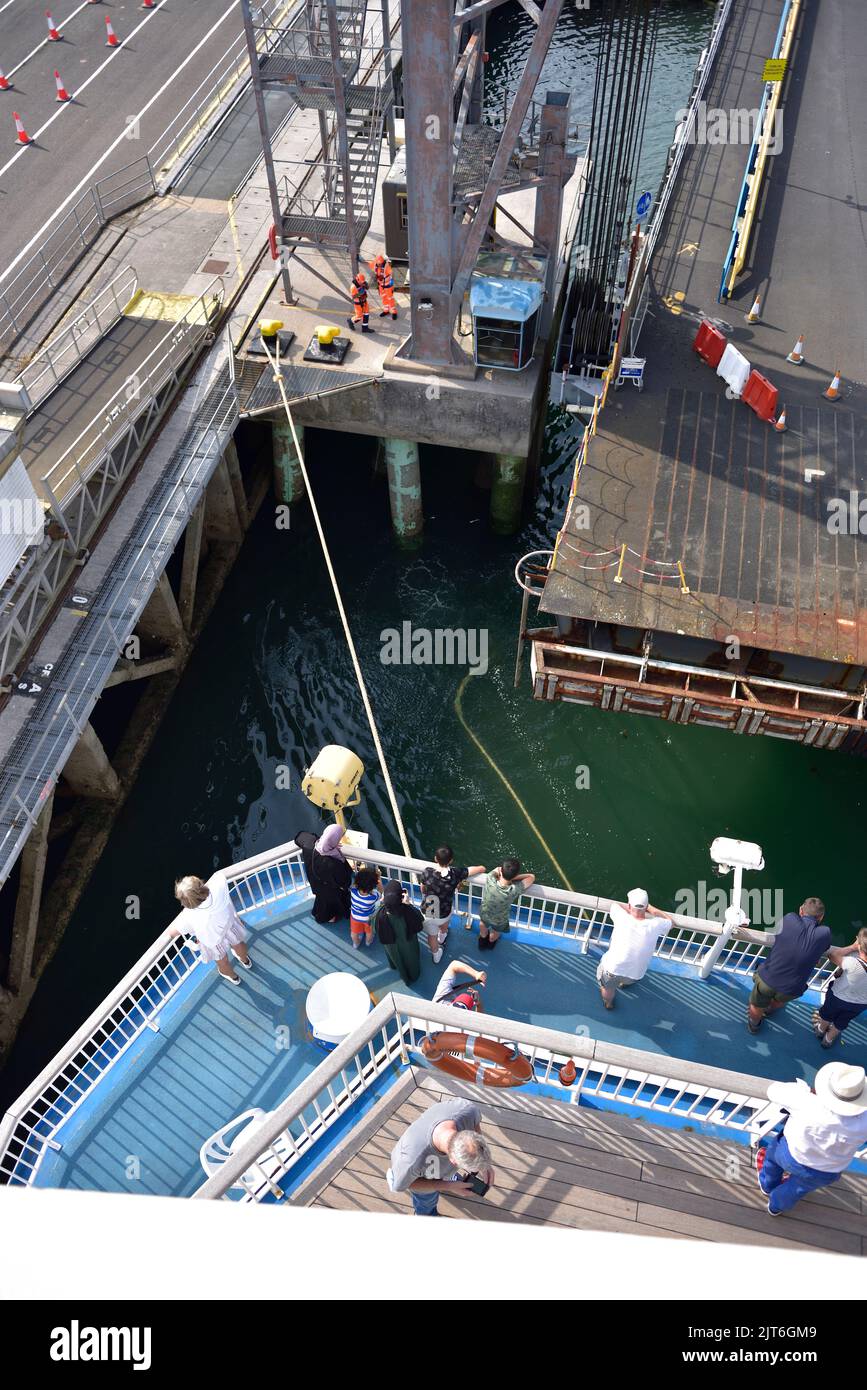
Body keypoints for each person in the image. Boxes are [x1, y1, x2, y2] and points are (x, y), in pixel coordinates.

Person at [755, 1063, 867, 1215]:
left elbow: (773, 1090)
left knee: (772, 1160)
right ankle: (775, 1207)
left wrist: (805, 1091)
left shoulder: (806, 1101)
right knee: (795, 1190)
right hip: (826, 1171)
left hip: (790, 1154)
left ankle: (767, 1185)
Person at [386, 1097, 495, 1215]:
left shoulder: (468, 1110)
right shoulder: (411, 1162)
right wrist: (447, 1186)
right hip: (423, 1176)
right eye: (475, 1170)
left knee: (446, 1176)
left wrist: (485, 1165)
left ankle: (449, 1177)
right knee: (427, 1201)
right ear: (452, 1162)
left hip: (436, 1166)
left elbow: (475, 1124)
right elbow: (401, 1185)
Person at [747, 897, 831, 1034]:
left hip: (767, 979)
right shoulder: (824, 933)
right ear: (821, 917)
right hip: (792, 987)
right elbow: (821, 948)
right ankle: (769, 1010)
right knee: (779, 1000)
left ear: (801, 910)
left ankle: (754, 1025)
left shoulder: (789, 919)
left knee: (756, 1005)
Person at [597, 889, 674, 1009]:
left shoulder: (621, 916)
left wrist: (633, 907)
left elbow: (615, 905)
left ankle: (608, 1003)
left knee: (607, 987)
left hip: (612, 969)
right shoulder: (656, 924)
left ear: (629, 906)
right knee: (628, 978)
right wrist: (651, 909)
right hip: (636, 974)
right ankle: (624, 984)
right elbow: (671, 922)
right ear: (646, 907)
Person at [172, 871, 251, 985]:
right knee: (238, 944)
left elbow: (173, 932)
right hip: (228, 926)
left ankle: (234, 978)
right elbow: (219, 875)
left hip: (213, 940)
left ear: (187, 903)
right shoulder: (218, 889)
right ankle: (245, 960)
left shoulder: (189, 917)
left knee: (222, 961)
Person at [419, 846, 486, 964]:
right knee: (444, 923)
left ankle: (436, 955)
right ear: (451, 861)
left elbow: (423, 889)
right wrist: (482, 868)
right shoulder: (455, 874)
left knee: (431, 936)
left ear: (435, 858)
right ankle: (443, 936)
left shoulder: (427, 872)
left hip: (429, 910)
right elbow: (474, 870)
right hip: (444, 911)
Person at [812, 927, 867, 1048]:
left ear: (859, 945)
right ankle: (828, 1040)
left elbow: (833, 955)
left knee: (827, 1015)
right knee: (842, 1021)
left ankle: (820, 1030)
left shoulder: (852, 963)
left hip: (837, 998)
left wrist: (852, 947)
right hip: (860, 1004)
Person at [294, 825, 352, 924]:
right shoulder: (333, 863)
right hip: (328, 888)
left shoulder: (310, 844)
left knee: (321, 899)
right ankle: (325, 918)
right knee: (330, 903)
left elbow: (298, 837)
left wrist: (320, 840)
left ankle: (319, 913)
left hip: (314, 881)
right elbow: (344, 881)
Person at [374, 879, 425, 984]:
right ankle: (413, 975)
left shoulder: (380, 913)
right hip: (408, 943)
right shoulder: (407, 911)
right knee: (410, 958)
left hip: (390, 944)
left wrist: (382, 901)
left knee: (395, 956)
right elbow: (420, 919)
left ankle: (395, 966)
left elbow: (374, 926)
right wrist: (408, 904)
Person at [478, 858, 535, 950]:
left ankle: (482, 941)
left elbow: (496, 869)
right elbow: (531, 877)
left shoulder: (490, 878)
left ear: (501, 870)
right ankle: (491, 943)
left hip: (485, 913)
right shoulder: (514, 890)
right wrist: (513, 877)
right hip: (500, 920)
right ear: (515, 875)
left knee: (483, 927)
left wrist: (505, 874)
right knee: (494, 935)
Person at [349, 865, 381, 948]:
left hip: (355, 917)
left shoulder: (353, 890)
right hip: (368, 918)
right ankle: (368, 942)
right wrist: (379, 878)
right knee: (369, 932)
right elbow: (381, 891)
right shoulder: (373, 896)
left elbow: (355, 884)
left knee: (354, 933)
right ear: (373, 885)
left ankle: (356, 943)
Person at [368, 252, 398, 320]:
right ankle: (386, 310)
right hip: (381, 285)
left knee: (390, 298)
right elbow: (370, 265)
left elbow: (391, 275)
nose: (379, 265)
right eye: (378, 264)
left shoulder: (387, 266)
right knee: (383, 297)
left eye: (380, 264)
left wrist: (391, 284)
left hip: (388, 285)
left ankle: (394, 312)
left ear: (382, 262)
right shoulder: (375, 263)